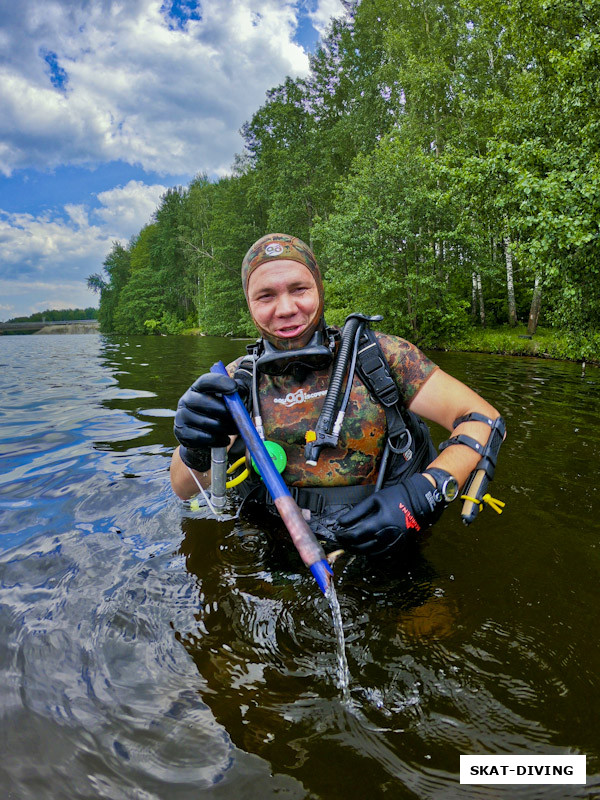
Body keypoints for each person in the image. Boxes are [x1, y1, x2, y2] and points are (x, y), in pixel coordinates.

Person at [170, 233, 505, 558]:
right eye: (266, 296)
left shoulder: (381, 357)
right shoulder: (232, 384)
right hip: (275, 553)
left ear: (319, 288)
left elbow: (482, 419)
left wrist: (422, 496)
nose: (286, 308)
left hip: (387, 543)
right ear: (249, 303)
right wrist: (196, 448)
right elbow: (182, 489)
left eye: (299, 289)